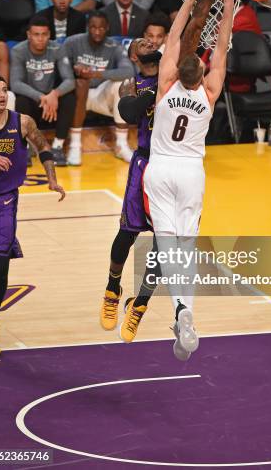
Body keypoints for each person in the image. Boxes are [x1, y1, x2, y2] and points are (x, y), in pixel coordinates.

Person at [143, 0, 237, 360]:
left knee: (167, 248)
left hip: (160, 168)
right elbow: (220, 45)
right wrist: (228, 2)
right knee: (187, 247)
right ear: (201, 74)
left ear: (177, 70)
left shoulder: (165, 84)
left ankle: (178, 310)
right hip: (191, 172)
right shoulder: (210, 91)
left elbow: (176, 35)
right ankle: (188, 311)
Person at [0, 74, 65, 358]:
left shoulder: (23, 122)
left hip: (4, 202)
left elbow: (43, 146)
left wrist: (51, 179)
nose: (2, 95)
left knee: (1, 265)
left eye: (4, 90)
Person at [100, 38, 161, 339]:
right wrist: (158, 90)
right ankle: (112, 288)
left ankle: (140, 303)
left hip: (172, 166)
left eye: (154, 37)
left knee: (167, 244)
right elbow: (130, 111)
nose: (151, 40)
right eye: (143, 41)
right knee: (127, 232)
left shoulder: (173, 76)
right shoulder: (131, 84)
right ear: (135, 55)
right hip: (145, 163)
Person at [61, 10, 134, 165]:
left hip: (100, 94)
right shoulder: (72, 42)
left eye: (101, 28)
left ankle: (121, 144)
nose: (97, 31)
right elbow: (60, 67)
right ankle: (75, 145)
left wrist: (95, 74)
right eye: (93, 27)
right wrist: (76, 70)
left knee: (125, 83)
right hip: (76, 96)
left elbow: (129, 71)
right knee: (81, 83)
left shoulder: (114, 46)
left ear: (107, 28)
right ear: (88, 27)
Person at [10, 16, 76, 166]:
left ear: (49, 35)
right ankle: (25, 147)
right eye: (36, 34)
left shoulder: (57, 49)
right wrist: (42, 97)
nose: (40, 39)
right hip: (33, 102)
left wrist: (54, 94)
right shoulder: (18, 50)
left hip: (52, 106)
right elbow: (15, 84)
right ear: (29, 35)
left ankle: (57, 147)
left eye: (44, 34)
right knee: (20, 100)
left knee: (69, 98)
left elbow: (70, 80)